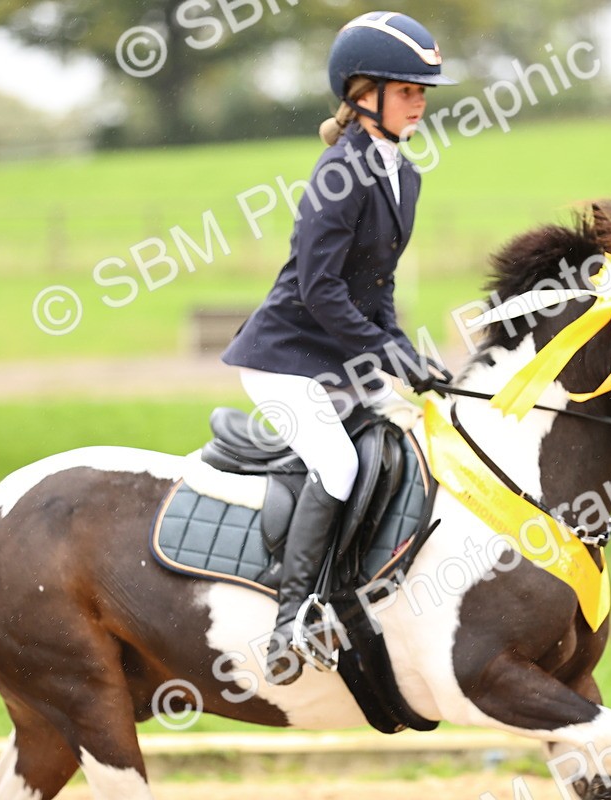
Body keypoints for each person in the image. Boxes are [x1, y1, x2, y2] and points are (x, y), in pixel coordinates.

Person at [221, 11, 455, 685]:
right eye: (408, 90)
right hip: (284, 361)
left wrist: (410, 356)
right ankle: (291, 619)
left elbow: (375, 290)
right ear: (362, 93)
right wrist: (386, 354)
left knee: (416, 441)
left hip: (343, 360)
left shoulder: (402, 176)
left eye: (422, 91)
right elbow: (322, 292)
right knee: (339, 464)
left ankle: (365, 593)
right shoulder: (338, 174)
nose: (420, 102)